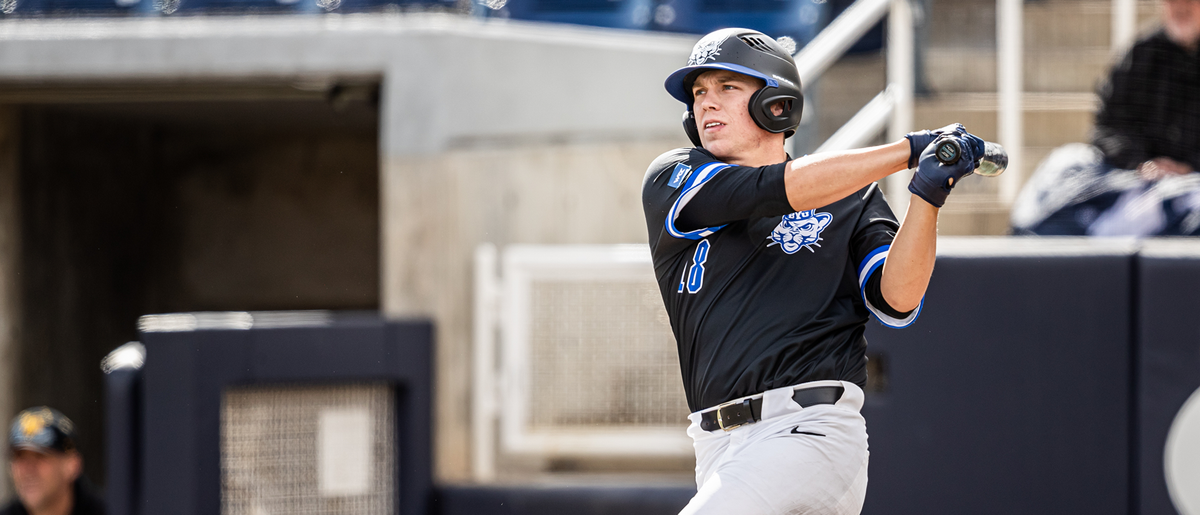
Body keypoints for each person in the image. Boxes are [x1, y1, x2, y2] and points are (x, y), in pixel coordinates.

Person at [641, 28, 984, 514]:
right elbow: (776, 188)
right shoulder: (673, 176)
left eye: (727, 88)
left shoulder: (853, 197)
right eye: (699, 93)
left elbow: (898, 299)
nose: (707, 104)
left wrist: (927, 195)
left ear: (777, 106)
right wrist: (909, 149)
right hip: (716, 447)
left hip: (809, 433)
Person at [1011, 0, 1200, 236]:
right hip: (1132, 179)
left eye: (1189, 1)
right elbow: (1108, 127)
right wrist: (1142, 163)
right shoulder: (1143, 52)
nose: (1180, 7)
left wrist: (1188, 168)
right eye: (1173, 1)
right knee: (1066, 162)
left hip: (1192, 188)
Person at [1, 407, 105, 515]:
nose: (28, 469)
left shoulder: (115, 509)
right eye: (19, 457)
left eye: (40, 456)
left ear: (72, 464)